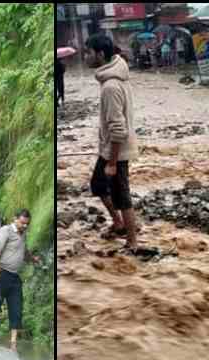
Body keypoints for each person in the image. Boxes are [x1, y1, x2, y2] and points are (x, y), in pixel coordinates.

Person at [84, 34, 140, 251]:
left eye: (88, 52)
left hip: (117, 151)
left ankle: (132, 241)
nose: (85, 56)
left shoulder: (110, 86)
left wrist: (113, 162)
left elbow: (118, 129)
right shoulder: (115, 76)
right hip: (109, 149)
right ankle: (118, 223)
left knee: (121, 194)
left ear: (100, 54)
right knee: (98, 185)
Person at [0, 210, 36, 348]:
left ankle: (13, 341)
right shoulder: (6, 231)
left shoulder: (23, 234)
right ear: (15, 219)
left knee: (16, 306)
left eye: (27, 224)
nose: (25, 226)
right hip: (2, 273)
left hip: (15, 276)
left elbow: (24, 251)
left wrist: (32, 258)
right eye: (22, 223)